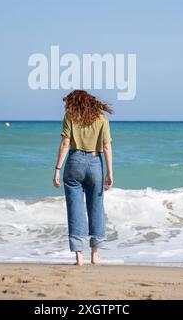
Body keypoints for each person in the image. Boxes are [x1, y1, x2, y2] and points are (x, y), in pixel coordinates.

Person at [53, 90, 114, 266]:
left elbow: (65, 143)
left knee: (75, 210)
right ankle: (95, 255)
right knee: (96, 208)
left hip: (74, 162)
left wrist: (57, 169)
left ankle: (79, 257)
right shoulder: (102, 119)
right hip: (96, 162)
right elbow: (107, 146)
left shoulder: (70, 116)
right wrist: (110, 172)